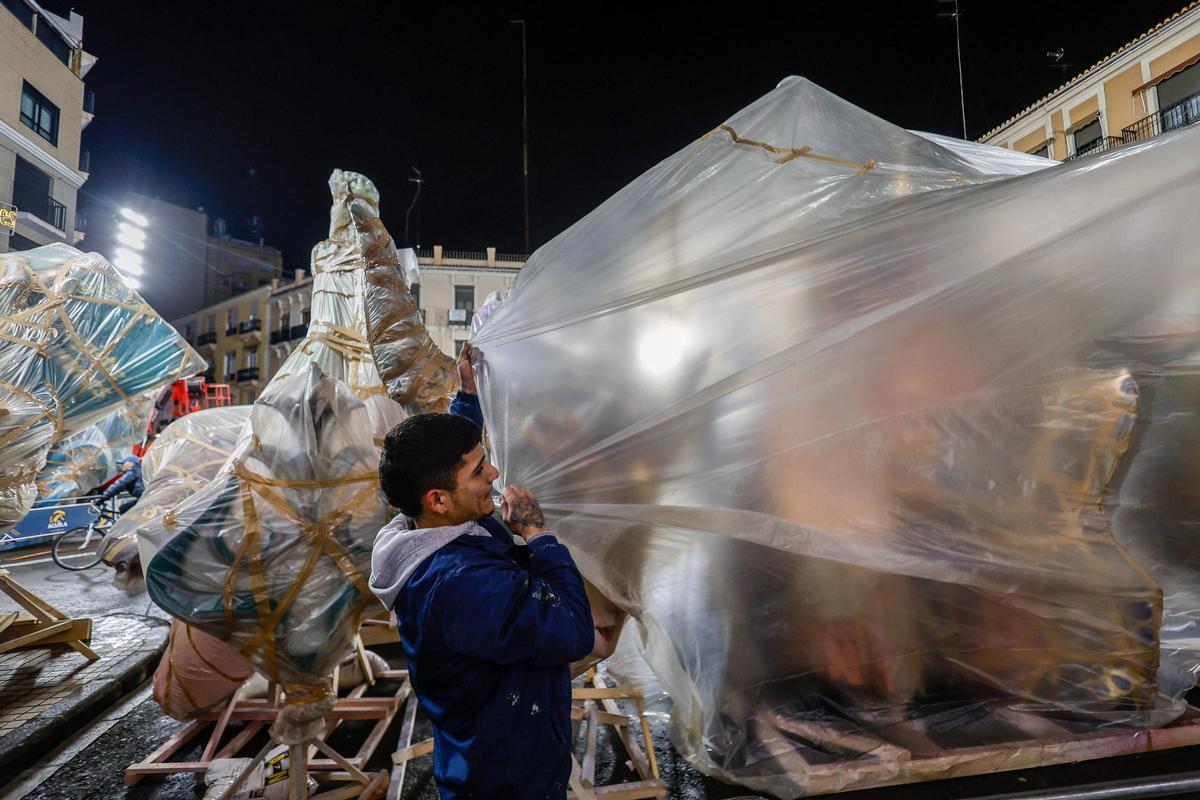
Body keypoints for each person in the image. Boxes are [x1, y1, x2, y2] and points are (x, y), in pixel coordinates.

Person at [369, 343, 594, 799]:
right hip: (509, 775)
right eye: (479, 470)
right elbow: (574, 630)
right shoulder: (464, 583)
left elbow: (445, 460)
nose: (493, 472)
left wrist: (469, 395)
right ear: (438, 499)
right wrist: (538, 536)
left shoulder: (422, 527)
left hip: (481, 751)